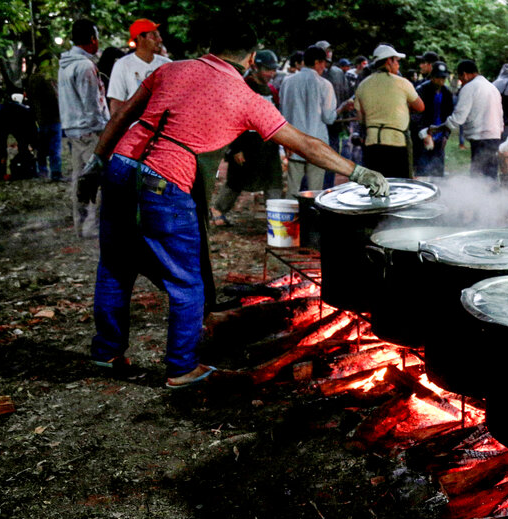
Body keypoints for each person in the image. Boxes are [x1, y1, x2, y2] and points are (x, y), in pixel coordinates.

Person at [79, 22, 387, 389]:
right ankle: (181, 368)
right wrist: (356, 171)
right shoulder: (244, 97)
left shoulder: (168, 69)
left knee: (115, 265)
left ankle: (106, 351)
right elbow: (303, 143)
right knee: (186, 280)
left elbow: (122, 115)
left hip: (120, 167)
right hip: (165, 182)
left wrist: (97, 161)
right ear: (251, 58)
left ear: (210, 45)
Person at [211, 50, 284, 225]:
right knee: (236, 181)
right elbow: (232, 118)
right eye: (268, 70)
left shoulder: (272, 90)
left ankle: (275, 218)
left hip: (268, 145)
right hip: (246, 144)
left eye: (273, 70)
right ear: (255, 67)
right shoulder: (242, 87)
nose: (271, 74)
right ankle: (217, 210)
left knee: (274, 180)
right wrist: (235, 148)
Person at [58, 18, 110, 238]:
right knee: (94, 180)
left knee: (79, 179)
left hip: (74, 130)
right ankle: (91, 227)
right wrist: (106, 129)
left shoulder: (66, 64)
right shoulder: (85, 66)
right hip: (90, 132)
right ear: (91, 39)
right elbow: (92, 105)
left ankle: (81, 225)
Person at [354, 44, 424, 178]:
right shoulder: (402, 83)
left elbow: (360, 118)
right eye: (396, 61)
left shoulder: (363, 85)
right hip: (396, 143)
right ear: (388, 61)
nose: (398, 65)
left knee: (376, 187)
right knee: (400, 187)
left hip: (372, 144)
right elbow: (420, 107)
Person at [280, 45, 338, 196]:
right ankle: (311, 219)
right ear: (318, 62)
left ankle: (288, 219)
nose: (324, 67)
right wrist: (341, 110)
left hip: (293, 143)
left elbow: (282, 113)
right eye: (324, 63)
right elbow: (329, 118)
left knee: (292, 190)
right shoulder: (325, 85)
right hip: (316, 145)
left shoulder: (287, 82)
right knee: (315, 191)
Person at [431, 60, 502, 178]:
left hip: (480, 138)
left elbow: (459, 117)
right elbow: (500, 115)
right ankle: (492, 196)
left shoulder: (469, 87)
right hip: (494, 136)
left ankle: (480, 196)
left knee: (478, 176)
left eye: (460, 78)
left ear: (464, 74)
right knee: (490, 175)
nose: (461, 82)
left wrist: (439, 128)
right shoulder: (492, 87)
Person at [107, 19, 170, 116]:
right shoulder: (122, 65)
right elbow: (116, 102)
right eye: (154, 35)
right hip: (135, 127)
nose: (159, 39)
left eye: (159, 35)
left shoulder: (167, 64)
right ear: (140, 38)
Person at [315, 41, 352, 187]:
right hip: (318, 125)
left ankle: (326, 190)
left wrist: (343, 119)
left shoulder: (337, 73)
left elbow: (346, 95)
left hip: (334, 124)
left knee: (330, 161)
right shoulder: (315, 75)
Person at [412, 61, 454, 178]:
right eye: (438, 77)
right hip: (423, 136)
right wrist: (424, 133)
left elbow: (449, 116)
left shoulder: (447, 93)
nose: (441, 81)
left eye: (443, 78)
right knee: (422, 171)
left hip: (439, 136)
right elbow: (416, 115)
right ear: (432, 77)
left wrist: (446, 135)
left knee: (437, 172)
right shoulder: (421, 90)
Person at [26, 51, 62, 181]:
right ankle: (56, 172)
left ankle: (42, 171)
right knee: (54, 147)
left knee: (41, 147)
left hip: (39, 118)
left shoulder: (32, 78)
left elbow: (30, 98)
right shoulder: (49, 79)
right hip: (53, 117)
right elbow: (54, 98)